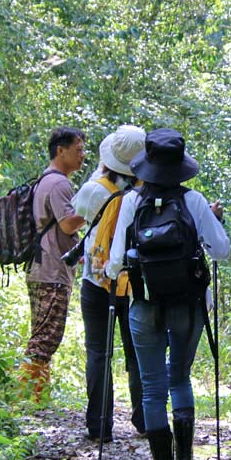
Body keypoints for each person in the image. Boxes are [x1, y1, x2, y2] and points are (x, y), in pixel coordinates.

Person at [106, 128, 230, 460]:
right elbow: (221, 251)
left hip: (145, 305)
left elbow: (115, 262)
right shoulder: (194, 201)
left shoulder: (131, 202)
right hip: (188, 306)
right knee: (180, 378)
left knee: (152, 389)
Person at [71, 125, 147, 441]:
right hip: (135, 282)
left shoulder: (94, 190)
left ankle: (99, 425)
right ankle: (145, 419)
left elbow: (77, 216)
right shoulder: (146, 193)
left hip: (97, 279)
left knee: (98, 352)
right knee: (138, 353)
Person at [19, 126, 87, 402]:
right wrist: (94, 207)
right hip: (51, 271)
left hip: (41, 266)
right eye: (78, 149)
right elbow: (68, 223)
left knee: (42, 334)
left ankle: (38, 397)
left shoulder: (45, 180)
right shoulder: (59, 184)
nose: (83, 155)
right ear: (61, 150)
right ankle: (24, 397)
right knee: (46, 338)